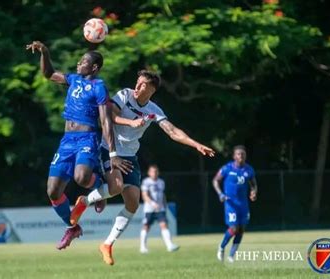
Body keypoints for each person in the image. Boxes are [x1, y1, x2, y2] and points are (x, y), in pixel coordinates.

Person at [70, 70, 215, 265]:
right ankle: (84, 201)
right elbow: (109, 115)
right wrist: (131, 122)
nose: (137, 87)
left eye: (143, 85)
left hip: (130, 155)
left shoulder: (154, 110)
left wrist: (195, 144)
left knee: (132, 204)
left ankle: (107, 244)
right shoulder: (124, 95)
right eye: (137, 83)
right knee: (116, 187)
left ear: (152, 89)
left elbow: (172, 131)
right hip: (108, 148)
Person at [26, 41, 131, 250]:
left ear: (94, 67)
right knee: (52, 191)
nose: (78, 63)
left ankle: (97, 183)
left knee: (81, 177)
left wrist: (112, 154)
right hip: (67, 141)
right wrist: (45, 52)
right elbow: (48, 74)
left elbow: (106, 121)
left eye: (84, 61)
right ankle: (72, 227)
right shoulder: (73, 79)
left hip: (86, 139)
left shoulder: (99, 86)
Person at [212, 145, 258, 263]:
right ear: (234, 156)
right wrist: (220, 194)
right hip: (230, 203)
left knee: (241, 229)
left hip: (243, 204)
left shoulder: (249, 170)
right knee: (233, 228)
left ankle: (231, 255)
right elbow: (215, 181)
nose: (241, 156)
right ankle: (221, 247)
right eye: (238, 154)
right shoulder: (227, 168)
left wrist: (253, 192)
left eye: (243, 154)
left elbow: (253, 184)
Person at [139, 164, 178, 253]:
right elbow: (144, 195)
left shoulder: (161, 182)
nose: (154, 173)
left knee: (164, 225)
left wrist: (164, 206)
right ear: (149, 173)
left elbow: (162, 195)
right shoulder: (146, 182)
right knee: (146, 226)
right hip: (149, 209)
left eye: (156, 171)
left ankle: (169, 245)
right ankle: (143, 247)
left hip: (160, 209)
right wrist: (153, 204)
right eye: (153, 171)